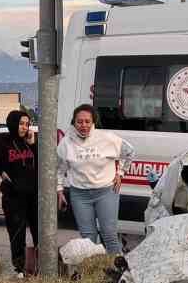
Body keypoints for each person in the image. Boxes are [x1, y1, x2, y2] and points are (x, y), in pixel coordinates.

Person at [56, 103, 133, 256]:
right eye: (79, 121)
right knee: (87, 237)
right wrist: (59, 190)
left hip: (106, 191)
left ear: (93, 122)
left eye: (87, 121)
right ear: (74, 122)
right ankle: (93, 273)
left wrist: (120, 173)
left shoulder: (107, 138)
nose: (83, 125)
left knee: (109, 234)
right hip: (80, 194)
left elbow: (129, 152)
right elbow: (59, 169)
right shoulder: (66, 143)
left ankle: (117, 270)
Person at [0, 109, 40, 276]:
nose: (25, 127)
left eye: (27, 124)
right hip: (14, 196)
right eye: (21, 123)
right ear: (13, 123)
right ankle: (20, 268)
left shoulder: (31, 142)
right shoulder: (2, 142)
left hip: (34, 196)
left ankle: (40, 265)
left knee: (38, 230)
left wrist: (33, 144)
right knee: (17, 233)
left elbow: (43, 163)